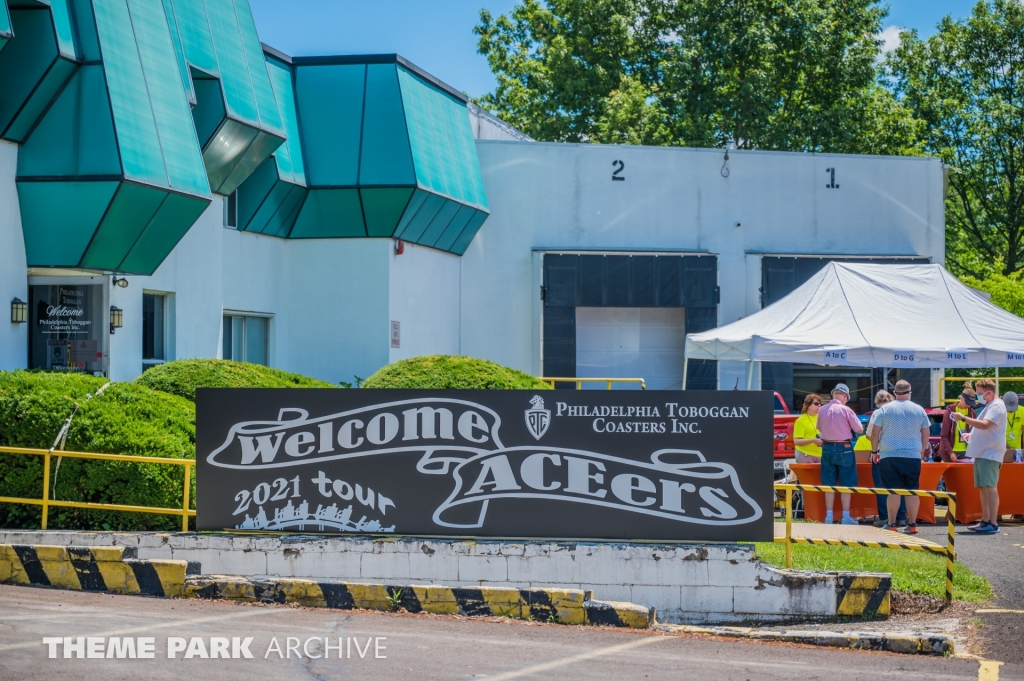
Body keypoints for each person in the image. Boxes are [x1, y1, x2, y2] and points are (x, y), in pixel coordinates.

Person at [869, 380, 930, 534]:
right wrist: (921, 450)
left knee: (893, 491)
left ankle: (891, 524)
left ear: (895, 393)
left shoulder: (884, 410)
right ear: (910, 392)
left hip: (889, 454)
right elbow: (926, 432)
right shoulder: (919, 410)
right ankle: (913, 524)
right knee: (912, 490)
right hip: (912, 454)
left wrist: (874, 452)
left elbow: (875, 432)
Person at [951, 378, 1006, 534]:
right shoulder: (990, 405)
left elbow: (985, 424)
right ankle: (986, 521)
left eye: (980, 393)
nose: (978, 397)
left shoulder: (996, 406)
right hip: (983, 452)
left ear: (988, 392)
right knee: (983, 488)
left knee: (989, 487)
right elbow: (984, 427)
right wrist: (972, 434)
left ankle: (992, 523)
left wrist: (962, 418)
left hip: (990, 453)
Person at [816, 383, 864, 525]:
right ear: (844, 396)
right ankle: (845, 516)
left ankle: (829, 516)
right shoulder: (846, 410)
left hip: (827, 447)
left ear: (833, 394)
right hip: (845, 447)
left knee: (828, 483)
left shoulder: (822, 410)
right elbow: (860, 429)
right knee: (846, 483)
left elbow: (819, 427)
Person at [860, 390, 907, 527]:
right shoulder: (900, 412)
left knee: (881, 487)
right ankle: (901, 516)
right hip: (899, 453)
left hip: (881, 454)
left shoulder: (877, 413)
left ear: (877, 401)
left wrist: (877, 444)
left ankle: (885, 517)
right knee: (900, 487)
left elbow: (870, 435)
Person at [939, 384, 976, 462]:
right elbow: (944, 436)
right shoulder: (949, 412)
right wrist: (951, 453)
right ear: (961, 398)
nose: (969, 406)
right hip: (950, 452)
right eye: (967, 403)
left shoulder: (972, 413)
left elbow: (974, 433)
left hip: (966, 453)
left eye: (971, 403)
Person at [793, 394, 823, 463]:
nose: (819, 405)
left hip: (820, 455)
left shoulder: (821, 418)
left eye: (820, 404)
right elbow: (796, 441)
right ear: (808, 406)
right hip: (805, 454)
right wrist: (812, 440)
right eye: (816, 404)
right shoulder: (801, 420)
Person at [1003, 392, 1023, 463]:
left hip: (1018, 451)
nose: (1011, 410)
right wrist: (1009, 449)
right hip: (1002, 450)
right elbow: (997, 433)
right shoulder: (999, 412)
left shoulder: (1022, 410)